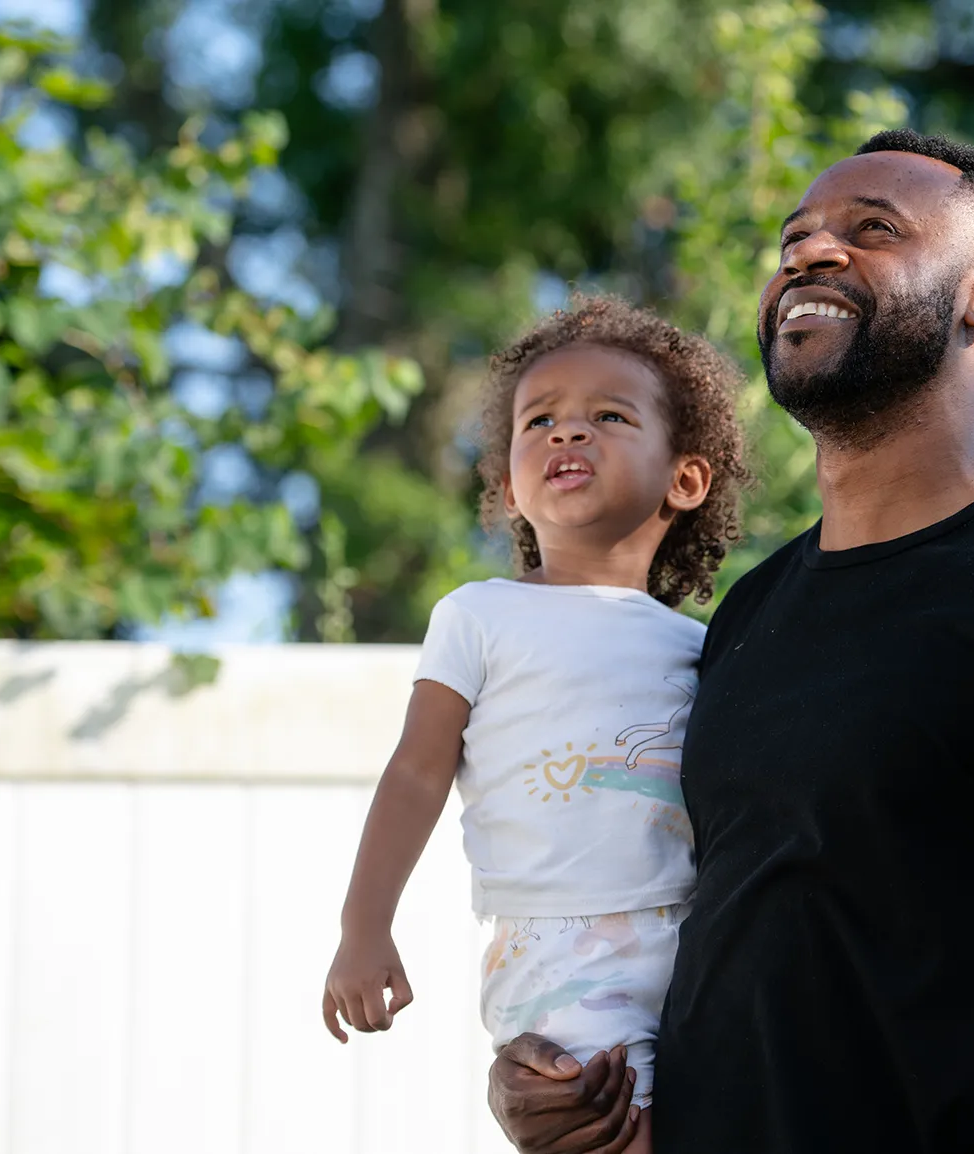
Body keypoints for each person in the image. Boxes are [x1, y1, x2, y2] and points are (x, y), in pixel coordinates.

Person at [485, 130, 974, 1154]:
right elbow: (700, 953)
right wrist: (567, 1085)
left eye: (871, 230)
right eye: (794, 240)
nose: (811, 254)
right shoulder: (749, 612)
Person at [322, 296, 749, 1154]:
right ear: (507, 486)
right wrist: (362, 930)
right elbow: (414, 773)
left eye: (609, 416)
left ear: (686, 479)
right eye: (540, 420)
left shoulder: (708, 646)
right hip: (561, 945)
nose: (566, 433)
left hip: (696, 936)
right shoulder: (478, 617)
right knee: (609, 1130)